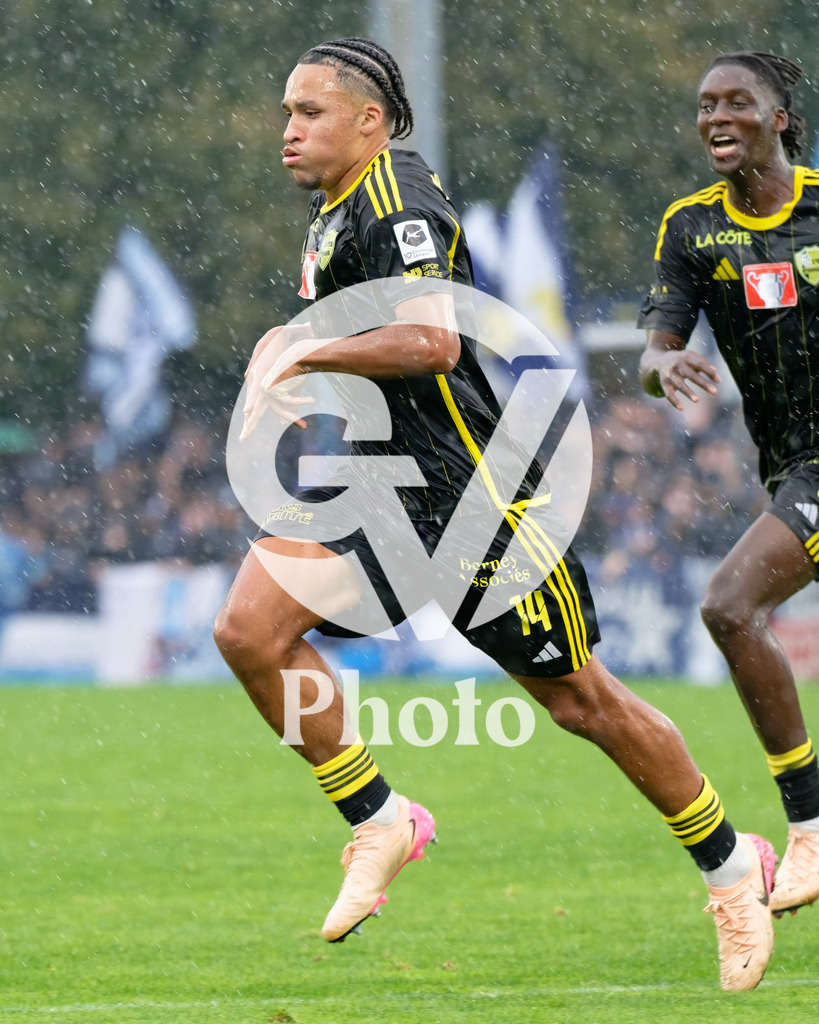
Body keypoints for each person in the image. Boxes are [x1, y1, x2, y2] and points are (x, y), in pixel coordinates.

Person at [214, 37, 775, 992]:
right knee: (249, 632)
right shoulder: (332, 214)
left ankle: (733, 871)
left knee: (580, 703)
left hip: (479, 504)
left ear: (368, 120)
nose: (288, 130)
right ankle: (379, 819)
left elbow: (433, 342)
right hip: (383, 494)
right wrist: (293, 345)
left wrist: (304, 356)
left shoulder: (399, 199)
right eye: (285, 112)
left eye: (308, 112)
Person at [638, 51, 819, 922]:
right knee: (730, 610)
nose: (716, 117)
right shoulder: (688, 227)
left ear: (777, 118)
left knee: (727, 604)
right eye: (705, 105)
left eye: (736, 103)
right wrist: (661, 367)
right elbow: (655, 344)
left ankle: (811, 827)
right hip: (787, 465)